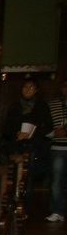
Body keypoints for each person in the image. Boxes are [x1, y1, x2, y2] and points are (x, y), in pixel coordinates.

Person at [45, 80, 67, 222]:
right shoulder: (52, 105)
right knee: (57, 181)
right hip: (58, 148)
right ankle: (57, 211)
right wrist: (54, 133)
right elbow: (44, 126)